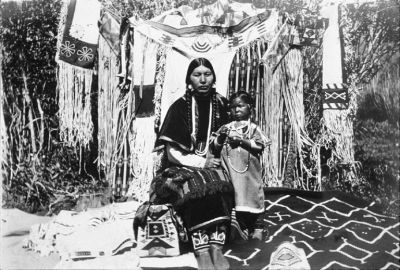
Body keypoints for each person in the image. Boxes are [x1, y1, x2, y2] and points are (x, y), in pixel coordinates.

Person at [151, 58, 233, 270]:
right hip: (181, 166)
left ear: (214, 78)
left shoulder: (223, 105)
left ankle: (217, 246)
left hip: (215, 164)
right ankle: (202, 249)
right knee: (196, 186)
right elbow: (172, 152)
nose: (203, 79)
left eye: (208, 74)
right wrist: (200, 162)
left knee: (222, 183)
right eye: (197, 75)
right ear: (189, 80)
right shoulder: (179, 107)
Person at [211, 91, 271, 241]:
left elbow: (259, 145)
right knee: (235, 197)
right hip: (230, 172)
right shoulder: (226, 127)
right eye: (232, 107)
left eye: (240, 106)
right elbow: (215, 146)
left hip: (249, 173)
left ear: (249, 107)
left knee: (253, 197)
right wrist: (221, 137)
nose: (236, 110)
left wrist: (241, 141)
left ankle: (258, 227)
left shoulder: (253, 129)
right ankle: (240, 226)